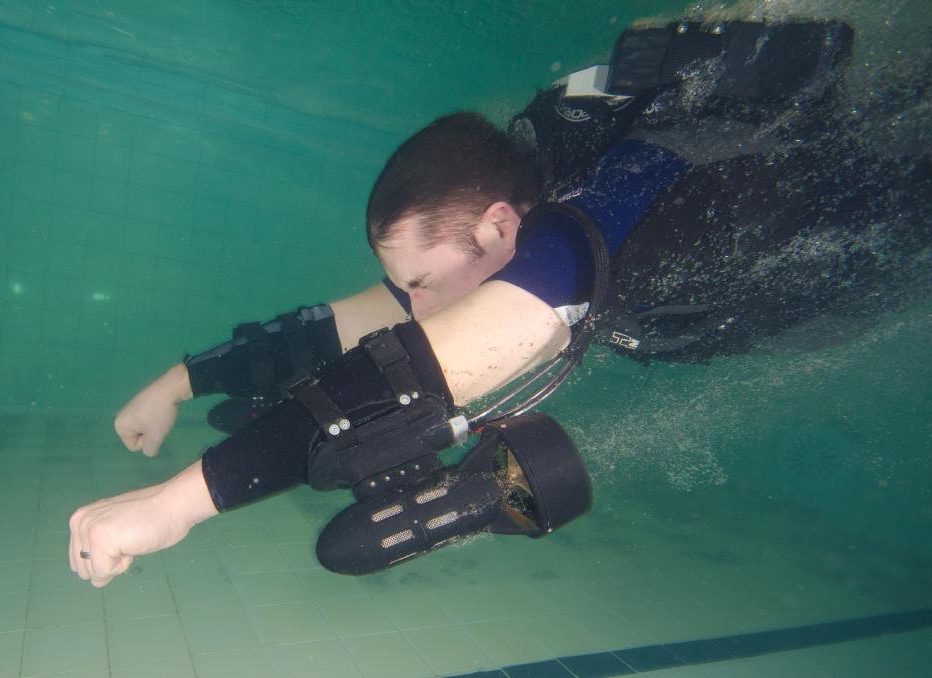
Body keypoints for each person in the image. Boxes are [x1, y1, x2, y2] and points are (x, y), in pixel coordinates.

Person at [69, 19, 931, 586]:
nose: (416, 307)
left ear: (498, 227)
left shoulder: (600, 202)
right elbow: (339, 327)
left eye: (423, 281)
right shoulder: (510, 221)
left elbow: (424, 365)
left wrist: (172, 507)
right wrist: (178, 383)